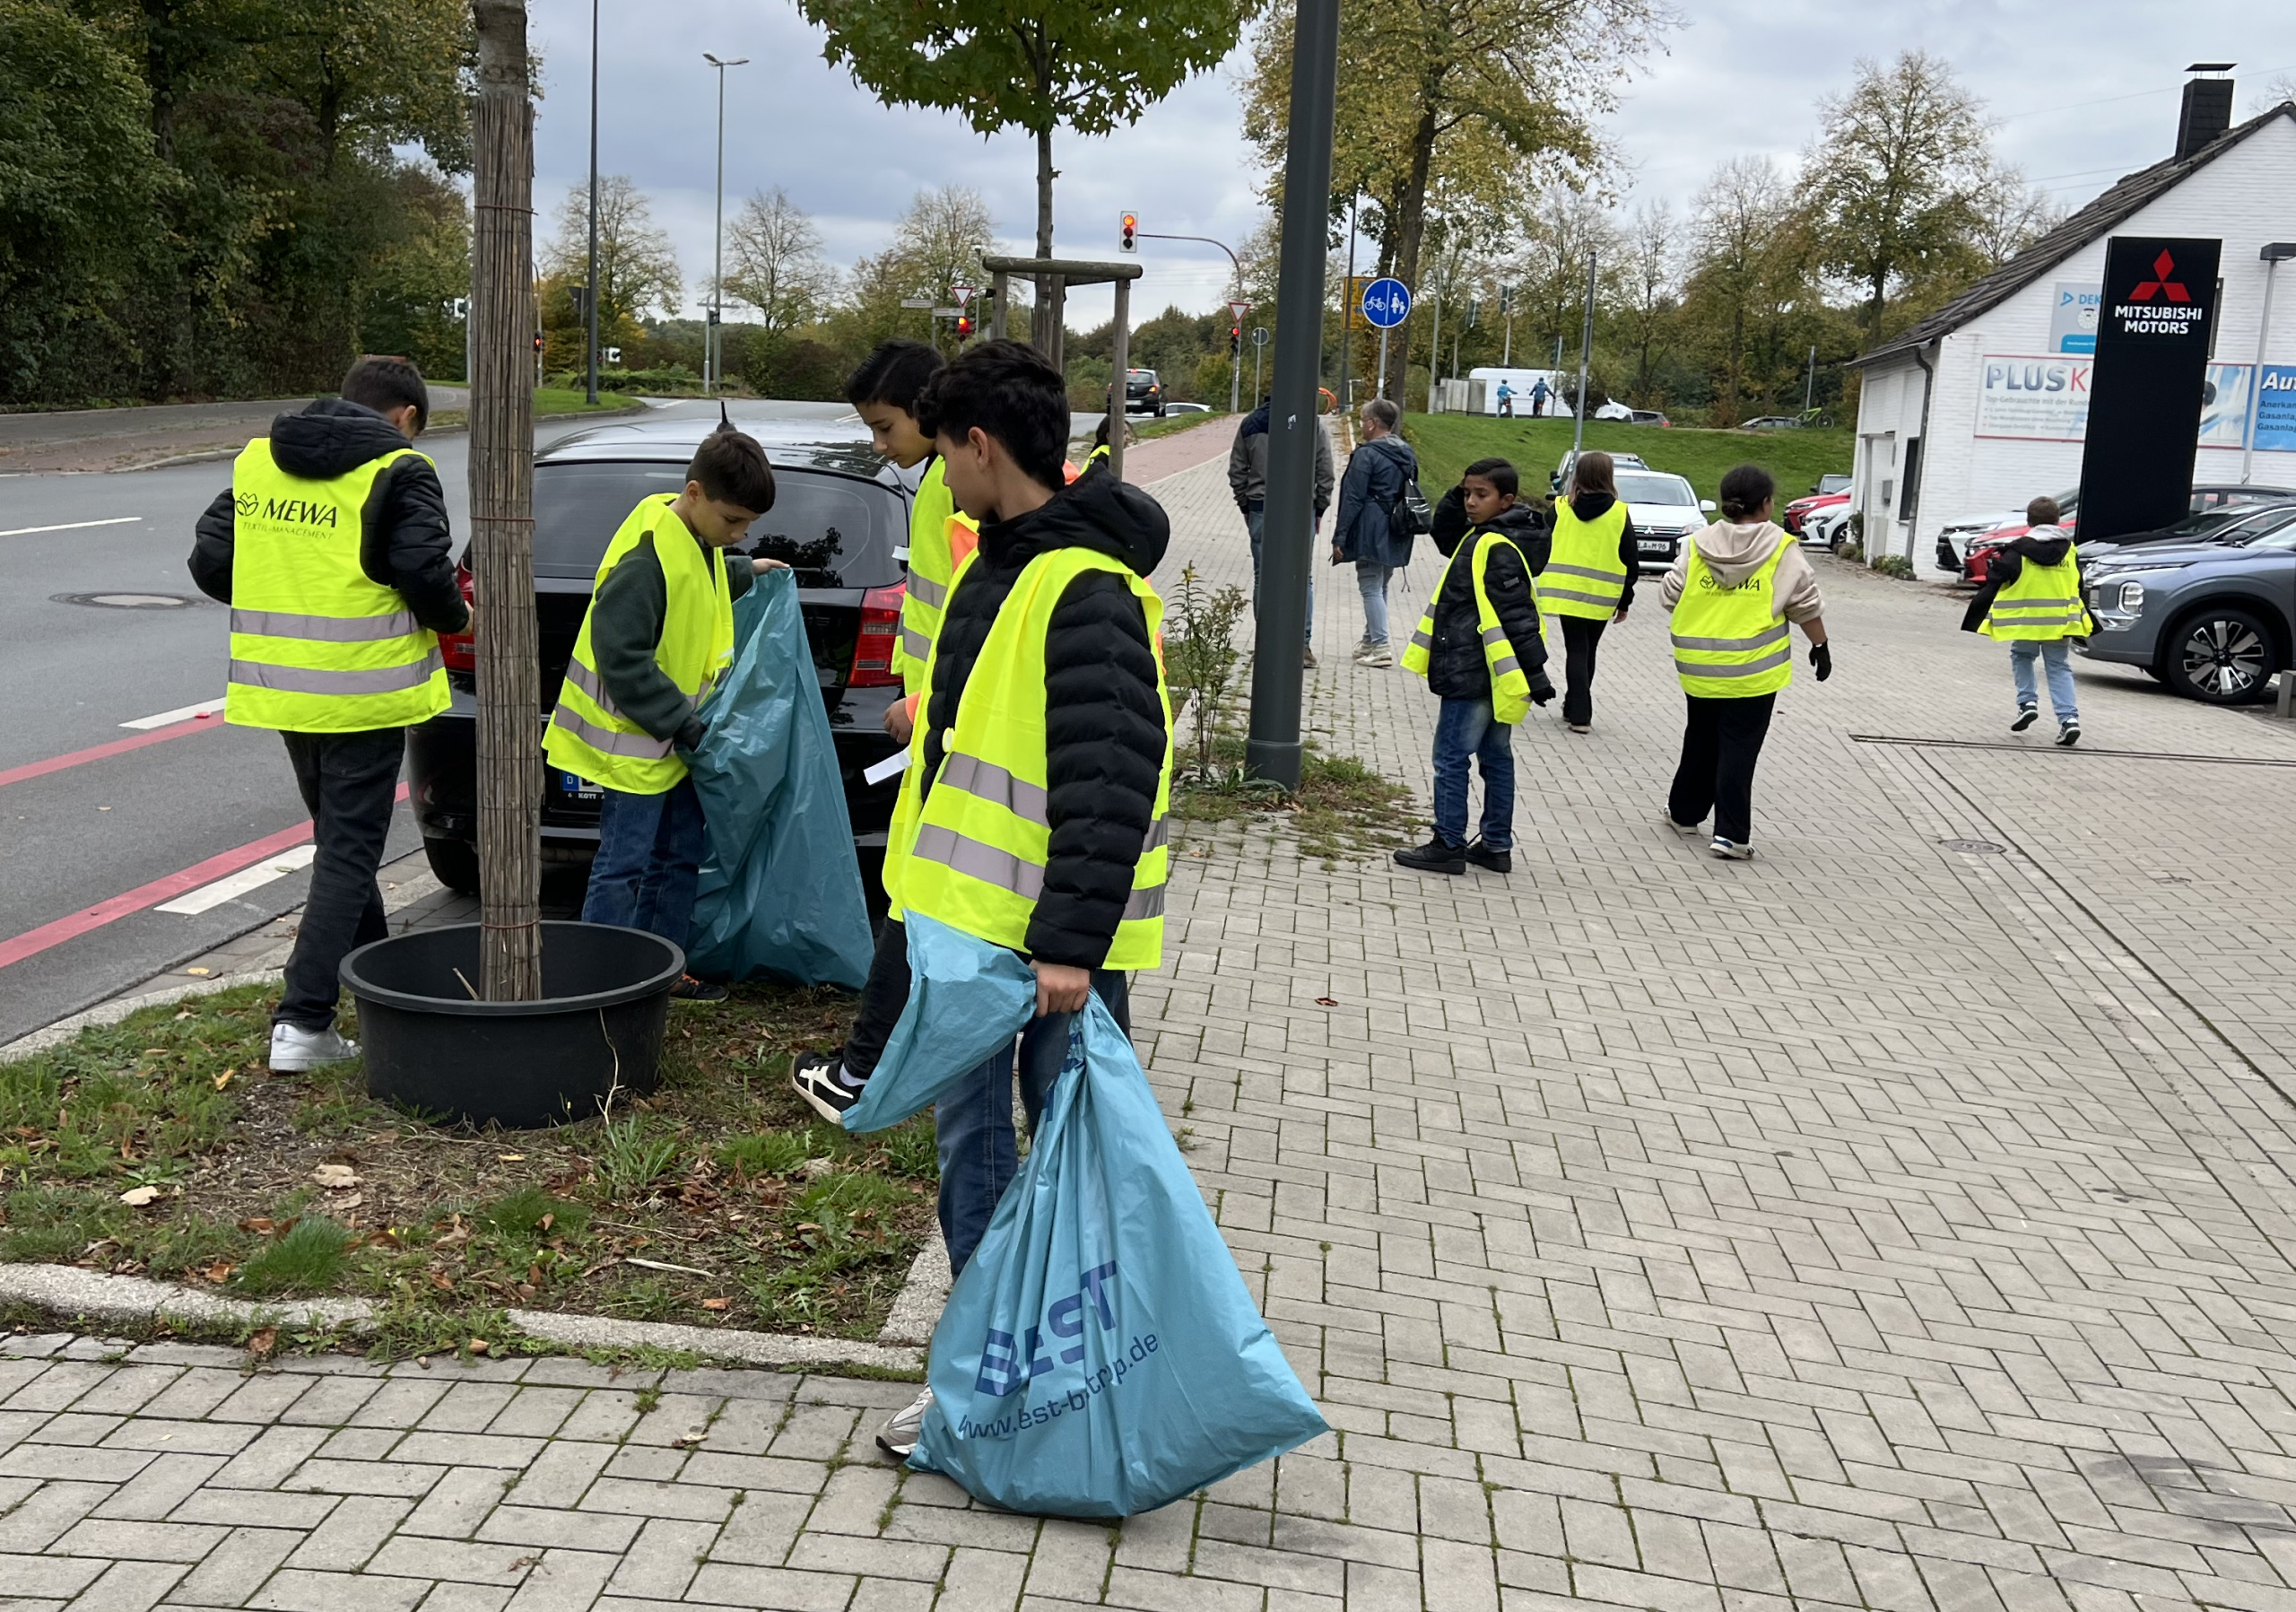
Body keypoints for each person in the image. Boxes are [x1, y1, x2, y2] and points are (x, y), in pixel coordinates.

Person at [866, 339, 1172, 1461]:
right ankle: (989, 1377)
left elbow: (1110, 773)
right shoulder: (1007, 560)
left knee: (1070, 1169)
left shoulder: (1083, 586)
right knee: (975, 1155)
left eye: (942, 451)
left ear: (980, 445)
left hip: (1045, 953)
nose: (938, 475)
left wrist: (1068, 949)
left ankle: (1066, 1394)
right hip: (970, 933)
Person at [189, 355, 471, 1072]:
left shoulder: (261, 462)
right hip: (364, 689)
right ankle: (304, 1021)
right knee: (348, 852)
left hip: (284, 686)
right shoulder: (401, 471)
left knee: (342, 847)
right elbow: (424, 572)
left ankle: (390, 983)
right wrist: (459, 614)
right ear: (406, 416)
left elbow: (210, 561)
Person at [790, 344, 978, 1116]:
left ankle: (864, 1069)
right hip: (938, 713)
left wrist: (924, 700)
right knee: (919, 889)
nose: (878, 445)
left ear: (927, 411)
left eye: (884, 426)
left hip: (940, 719)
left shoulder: (946, 488)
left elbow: (964, 608)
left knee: (912, 891)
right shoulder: (943, 481)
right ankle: (882, 1058)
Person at [544, 426, 786, 997]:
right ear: (696, 492)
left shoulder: (693, 538)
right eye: (733, 521)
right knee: (622, 866)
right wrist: (683, 721)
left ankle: (661, 973)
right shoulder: (646, 554)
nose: (740, 532)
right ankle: (600, 984)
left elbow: (696, 584)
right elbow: (623, 659)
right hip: (636, 745)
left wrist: (745, 569)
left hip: (671, 743)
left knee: (677, 857)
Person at [1661, 464, 1830, 860]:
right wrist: (1820, 646)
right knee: (1738, 748)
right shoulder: (1782, 548)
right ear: (1767, 504)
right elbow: (1804, 604)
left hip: (1698, 663)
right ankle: (1731, 835)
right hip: (1753, 669)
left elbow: (1670, 595)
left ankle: (1684, 814)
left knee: (1700, 737)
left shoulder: (1698, 543)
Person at [1396, 458, 1554, 875]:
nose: (1469, 502)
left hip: (1474, 668)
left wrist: (1537, 676)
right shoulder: (1496, 534)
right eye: (1466, 493)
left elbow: (1518, 615)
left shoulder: (1494, 545)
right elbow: (1444, 532)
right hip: (1490, 669)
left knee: (1451, 757)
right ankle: (1496, 846)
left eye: (1480, 495)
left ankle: (1448, 842)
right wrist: (1461, 487)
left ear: (1507, 500)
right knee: (1495, 756)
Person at [1962, 494, 2088, 745]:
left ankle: (2027, 703)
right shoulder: (2071, 551)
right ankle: (2069, 719)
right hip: (2059, 623)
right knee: (2059, 667)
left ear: (2030, 522)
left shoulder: (2017, 551)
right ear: (2058, 520)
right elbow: (2078, 585)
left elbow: (1995, 579)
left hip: (2026, 622)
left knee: (2022, 656)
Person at [1229, 393, 1335, 667]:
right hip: (1301, 510)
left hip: (1261, 507)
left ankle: (1266, 644)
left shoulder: (1251, 423)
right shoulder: (1312, 424)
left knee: (1263, 576)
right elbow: (1324, 470)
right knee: (1303, 577)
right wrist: (1320, 507)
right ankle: (1302, 646)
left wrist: (1245, 505)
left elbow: (1237, 470)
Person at [1541, 449, 1639, 733]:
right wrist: (1625, 601)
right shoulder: (1620, 514)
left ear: (1578, 475)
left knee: (1576, 650)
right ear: (1609, 476)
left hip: (1567, 592)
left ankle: (1578, 711)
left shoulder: (1559, 508)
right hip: (1603, 595)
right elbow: (1630, 560)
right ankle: (1576, 709)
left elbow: (1540, 542)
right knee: (1588, 650)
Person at [1331, 397, 1418, 667]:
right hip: (1397, 526)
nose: (1361, 424)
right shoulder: (1406, 452)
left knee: (1370, 584)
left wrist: (1340, 536)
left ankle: (1380, 646)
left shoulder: (1366, 455)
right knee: (1380, 585)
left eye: (1363, 420)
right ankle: (1370, 640)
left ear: (1372, 423)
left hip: (1371, 526)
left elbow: (1353, 498)